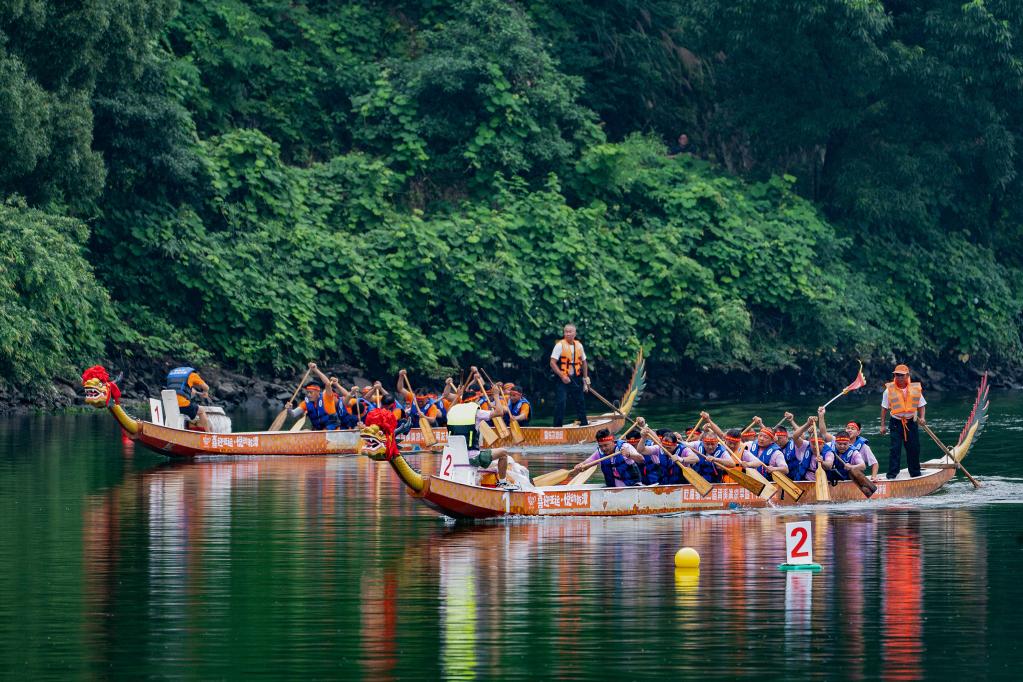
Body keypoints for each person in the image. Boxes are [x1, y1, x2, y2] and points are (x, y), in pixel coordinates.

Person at [445, 380, 517, 490]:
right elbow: (499, 412)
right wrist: (496, 395)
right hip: (472, 458)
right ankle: (502, 483)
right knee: (503, 453)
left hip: (455, 457)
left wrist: (458, 396)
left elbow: (450, 408)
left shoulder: (451, 412)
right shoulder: (477, 413)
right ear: (474, 400)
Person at [879, 364, 926, 479]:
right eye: (897, 375)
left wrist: (923, 417)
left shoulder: (915, 389)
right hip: (896, 422)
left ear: (907, 376)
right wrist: (882, 425)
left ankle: (915, 473)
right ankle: (892, 475)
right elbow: (884, 408)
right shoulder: (888, 390)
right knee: (895, 449)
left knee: (914, 448)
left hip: (911, 421)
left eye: (901, 375)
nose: (899, 377)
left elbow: (921, 405)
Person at [818, 407, 880, 481]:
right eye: (848, 428)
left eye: (852, 429)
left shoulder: (864, 447)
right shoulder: (837, 440)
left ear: (858, 432)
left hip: (853, 476)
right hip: (836, 475)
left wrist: (873, 477)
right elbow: (823, 433)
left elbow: (874, 464)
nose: (849, 430)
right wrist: (821, 416)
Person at [570, 428, 644, 488]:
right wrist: (580, 465)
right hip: (613, 489)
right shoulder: (600, 453)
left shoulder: (625, 447)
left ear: (612, 441)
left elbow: (641, 459)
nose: (604, 449)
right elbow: (587, 463)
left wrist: (629, 455)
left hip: (633, 488)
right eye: (601, 446)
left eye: (606, 445)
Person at [549, 324, 590, 427]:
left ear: (575, 333)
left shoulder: (579, 345)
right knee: (561, 402)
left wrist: (586, 380)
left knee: (580, 401)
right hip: (562, 378)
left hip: (576, 378)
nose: (567, 333)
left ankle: (584, 425)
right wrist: (562, 376)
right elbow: (552, 363)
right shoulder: (559, 345)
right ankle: (557, 427)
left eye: (570, 331)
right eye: (566, 332)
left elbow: (584, 362)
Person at [286, 363, 342, 431]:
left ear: (318, 392)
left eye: (311, 392)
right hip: (318, 431)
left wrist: (315, 370)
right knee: (305, 431)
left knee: (324, 430)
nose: (308, 395)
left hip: (332, 430)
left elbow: (327, 383)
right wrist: (289, 409)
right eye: (307, 392)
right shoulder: (306, 403)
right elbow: (293, 414)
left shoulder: (327, 397)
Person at [165, 364, 211, 431]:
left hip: (169, 405)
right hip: (181, 405)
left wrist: (194, 392)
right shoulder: (193, 375)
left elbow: (182, 390)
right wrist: (205, 392)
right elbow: (206, 387)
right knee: (201, 410)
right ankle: (208, 434)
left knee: (189, 406)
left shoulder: (172, 374)